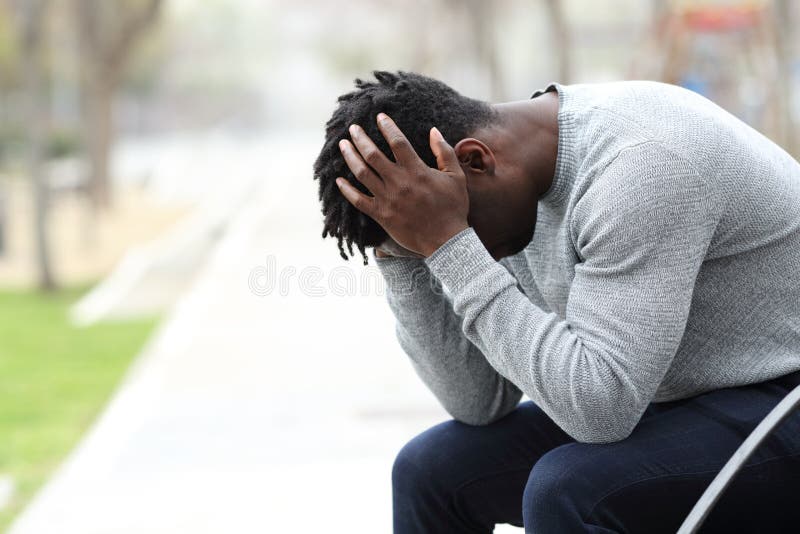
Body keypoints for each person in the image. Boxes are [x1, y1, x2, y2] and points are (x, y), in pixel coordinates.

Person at [312, 71, 800, 533]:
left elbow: (601, 409)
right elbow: (478, 402)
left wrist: (449, 243)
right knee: (430, 470)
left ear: (475, 160)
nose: (465, 251)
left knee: (568, 489)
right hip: (665, 397)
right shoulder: (497, 186)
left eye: (454, 229)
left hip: (781, 398)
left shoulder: (641, 164)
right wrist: (403, 253)